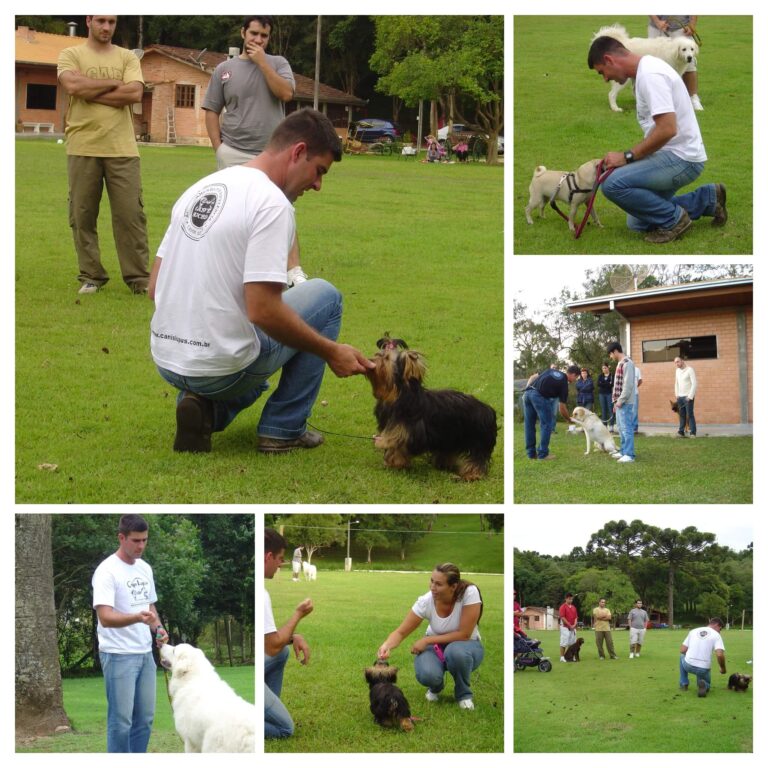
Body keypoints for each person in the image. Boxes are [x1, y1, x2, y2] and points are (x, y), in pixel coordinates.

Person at [149, 109, 374, 453]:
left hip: (168, 361)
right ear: (298, 152)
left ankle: (206, 408)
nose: (317, 185)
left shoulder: (200, 188)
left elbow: (154, 288)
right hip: (221, 368)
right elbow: (264, 311)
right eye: (319, 171)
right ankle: (283, 428)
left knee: (255, 341)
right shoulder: (271, 203)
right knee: (326, 300)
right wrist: (331, 351)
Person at [587, 35, 726, 244]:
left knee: (612, 184)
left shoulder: (650, 75)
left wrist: (627, 157)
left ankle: (675, 220)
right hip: (673, 154)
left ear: (609, 60)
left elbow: (668, 129)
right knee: (637, 223)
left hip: (682, 159)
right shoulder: (646, 69)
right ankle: (708, 199)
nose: (605, 79)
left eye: (602, 72)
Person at [203, 16, 306, 288]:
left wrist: (262, 62)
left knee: (282, 208)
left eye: (264, 36)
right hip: (233, 152)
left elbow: (286, 94)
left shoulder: (278, 64)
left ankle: (293, 270)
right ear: (242, 33)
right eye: (254, 34)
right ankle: (226, 266)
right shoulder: (224, 69)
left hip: (272, 153)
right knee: (229, 211)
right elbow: (212, 110)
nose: (258, 40)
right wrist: (219, 147)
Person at [57, 15, 150, 294]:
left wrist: (90, 90)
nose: (106, 27)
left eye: (111, 22)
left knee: (130, 215)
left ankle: (139, 280)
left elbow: (134, 93)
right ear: (88, 21)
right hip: (82, 146)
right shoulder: (70, 54)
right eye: (101, 21)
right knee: (82, 214)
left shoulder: (127, 57)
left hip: (122, 149)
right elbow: (72, 86)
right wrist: (113, 82)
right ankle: (91, 276)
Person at [92, 514, 169, 752]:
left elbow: (149, 606)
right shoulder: (106, 571)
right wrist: (136, 618)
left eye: (145, 540)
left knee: (144, 720)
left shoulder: (145, 568)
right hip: (117, 655)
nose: (141, 546)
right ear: (121, 538)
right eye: (136, 541)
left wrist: (158, 627)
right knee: (121, 722)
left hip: (145, 653)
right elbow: (105, 617)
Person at [377, 563, 484, 710]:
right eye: (432, 581)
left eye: (439, 584)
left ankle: (464, 694)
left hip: (466, 646)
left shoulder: (469, 593)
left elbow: (464, 634)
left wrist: (427, 640)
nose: (432, 587)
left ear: (453, 586)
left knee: (455, 651)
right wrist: (386, 645)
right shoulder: (426, 601)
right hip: (436, 647)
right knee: (428, 674)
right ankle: (435, 687)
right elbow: (401, 632)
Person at [264, 529, 313, 738]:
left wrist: (294, 637)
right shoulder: (262, 594)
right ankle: (248, 720)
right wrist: (298, 613)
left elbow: (269, 642)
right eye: (280, 559)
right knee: (285, 729)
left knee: (282, 652)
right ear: (268, 557)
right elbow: (272, 645)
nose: (281, 564)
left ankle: (266, 710)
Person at [522, 365, 580, 460]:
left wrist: (527, 389)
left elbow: (533, 376)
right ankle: (543, 454)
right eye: (576, 378)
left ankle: (531, 454)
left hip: (528, 393)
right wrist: (568, 419)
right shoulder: (564, 384)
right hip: (539, 396)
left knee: (529, 424)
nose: (575, 380)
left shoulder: (550, 371)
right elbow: (562, 407)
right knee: (547, 424)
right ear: (573, 374)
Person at [648, 16, 703, 110]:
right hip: (657, 28)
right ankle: (652, 99)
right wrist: (657, 21)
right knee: (653, 66)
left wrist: (692, 24)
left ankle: (693, 98)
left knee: (689, 64)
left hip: (682, 28)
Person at [679, 617, 727, 697]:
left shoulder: (693, 631)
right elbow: (719, 654)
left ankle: (684, 683)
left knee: (682, 656)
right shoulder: (716, 635)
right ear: (717, 625)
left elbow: (682, 650)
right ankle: (704, 685)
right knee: (705, 681)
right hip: (703, 668)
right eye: (720, 629)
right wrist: (723, 668)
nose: (720, 631)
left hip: (688, 665)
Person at [607, 341, 637, 463]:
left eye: (610, 354)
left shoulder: (627, 363)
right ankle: (624, 451)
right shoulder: (620, 363)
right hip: (619, 401)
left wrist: (620, 400)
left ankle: (629, 455)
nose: (610, 357)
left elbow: (628, 385)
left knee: (626, 428)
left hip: (625, 401)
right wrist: (616, 402)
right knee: (620, 427)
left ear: (615, 351)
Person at [674, 356, 698, 437]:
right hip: (680, 397)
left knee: (690, 414)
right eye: (675, 362)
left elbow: (694, 384)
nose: (676, 364)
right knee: (682, 415)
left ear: (682, 361)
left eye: (678, 361)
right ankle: (681, 432)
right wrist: (677, 394)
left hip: (688, 397)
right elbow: (676, 383)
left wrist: (690, 396)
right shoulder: (677, 371)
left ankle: (693, 432)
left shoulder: (690, 370)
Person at [558, 593, 578, 663]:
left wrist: (575, 624)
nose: (571, 600)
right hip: (565, 627)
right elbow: (563, 617)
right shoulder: (563, 607)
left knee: (572, 643)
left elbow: (575, 617)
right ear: (566, 599)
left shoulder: (573, 607)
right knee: (564, 642)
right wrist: (570, 625)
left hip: (573, 627)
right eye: (569, 599)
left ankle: (570, 656)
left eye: (572, 599)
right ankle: (562, 657)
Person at [597, 363, 616, 431]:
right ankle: (604, 425)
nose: (604, 369)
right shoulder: (600, 376)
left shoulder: (612, 375)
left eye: (605, 368)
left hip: (609, 394)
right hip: (601, 394)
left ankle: (611, 425)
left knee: (610, 409)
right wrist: (607, 383)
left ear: (608, 368)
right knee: (603, 410)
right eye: (603, 368)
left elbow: (612, 384)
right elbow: (598, 384)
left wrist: (603, 383)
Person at [633, 365, 643, 434]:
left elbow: (640, 381)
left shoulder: (637, 369)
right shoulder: (624, 368)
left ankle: (635, 428)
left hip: (634, 394)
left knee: (634, 411)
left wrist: (636, 386)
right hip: (626, 394)